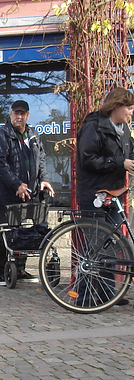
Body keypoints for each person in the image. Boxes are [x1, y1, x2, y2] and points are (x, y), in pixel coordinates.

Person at [75, 87, 134, 306]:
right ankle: (85, 295)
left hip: (114, 192)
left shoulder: (124, 129)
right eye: (129, 108)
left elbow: (130, 152)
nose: (131, 113)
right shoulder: (94, 126)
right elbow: (87, 159)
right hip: (94, 193)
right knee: (94, 246)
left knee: (111, 242)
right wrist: (120, 163)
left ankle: (108, 294)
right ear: (116, 106)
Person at [0, 99, 55, 285]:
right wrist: (16, 184)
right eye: (15, 113)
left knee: (26, 232)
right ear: (10, 114)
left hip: (29, 192)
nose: (18, 117)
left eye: (22, 114)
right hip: (7, 193)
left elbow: (41, 159)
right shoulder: (2, 135)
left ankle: (19, 269)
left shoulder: (33, 135)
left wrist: (44, 179)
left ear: (27, 116)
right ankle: (1, 271)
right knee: (6, 231)